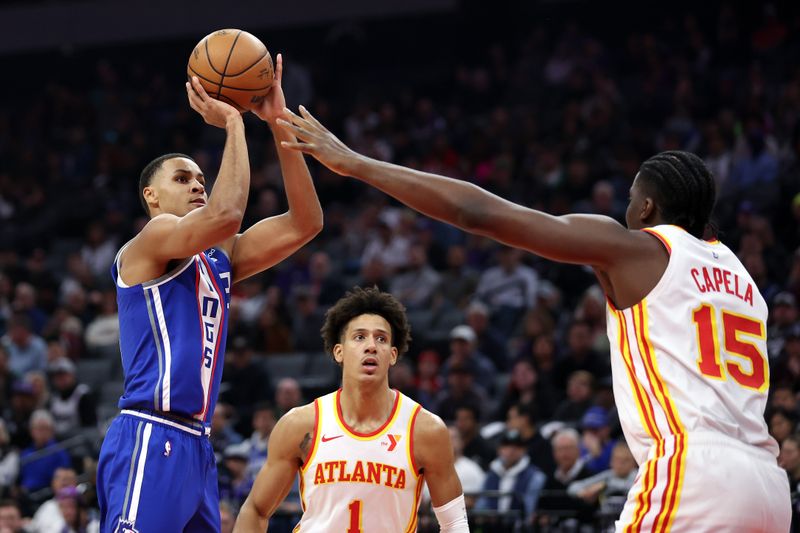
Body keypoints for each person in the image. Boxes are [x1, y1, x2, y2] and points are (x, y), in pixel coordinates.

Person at [278, 113, 791, 530]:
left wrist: (356, 164)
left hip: (695, 472)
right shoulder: (741, 277)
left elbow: (478, 214)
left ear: (648, 206)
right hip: (769, 484)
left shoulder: (637, 247)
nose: (627, 207)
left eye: (632, 198)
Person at [96, 54, 323, 533]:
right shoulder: (152, 239)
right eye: (183, 179)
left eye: (202, 179)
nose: (198, 184)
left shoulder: (219, 260)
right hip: (150, 430)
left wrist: (277, 120)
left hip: (198, 445)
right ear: (152, 198)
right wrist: (234, 124)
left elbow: (306, 222)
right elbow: (225, 216)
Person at [234, 287, 468, 532]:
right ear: (339, 351)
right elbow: (255, 510)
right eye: (359, 337)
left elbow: (454, 523)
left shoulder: (425, 429)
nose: (371, 346)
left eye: (381, 338)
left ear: (393, 355)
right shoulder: (301, 425)